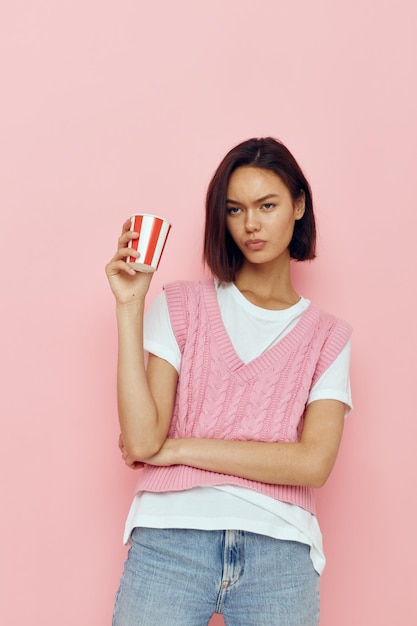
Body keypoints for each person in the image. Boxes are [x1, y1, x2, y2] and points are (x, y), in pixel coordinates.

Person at [105, 137, 352, 626]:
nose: (251, 224)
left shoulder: (327, 336)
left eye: (267, 205)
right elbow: (141, 439)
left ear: (299, 206)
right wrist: (130, 303)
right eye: (235, 209)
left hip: (278, 551)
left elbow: (312, 464)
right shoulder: (181, 306)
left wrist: (177, 450)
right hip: (170, 541)